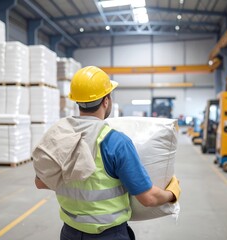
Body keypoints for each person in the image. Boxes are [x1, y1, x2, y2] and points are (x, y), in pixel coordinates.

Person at [34, 66, 181, 240]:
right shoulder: (116, 142)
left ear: (77, 101)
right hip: (109, 235)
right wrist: (172, 193)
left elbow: (40, 182)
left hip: (69, 233)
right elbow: (148, 198)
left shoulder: (60, 135)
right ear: (106, 100)